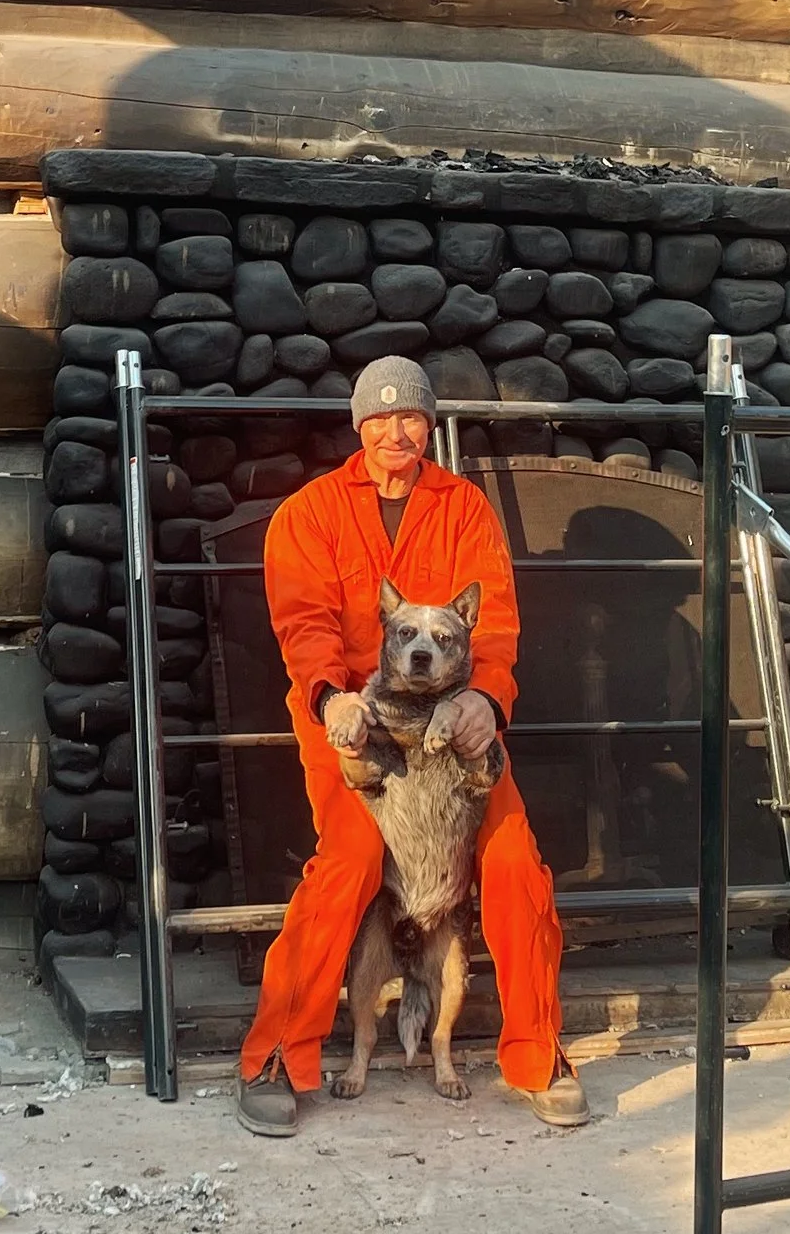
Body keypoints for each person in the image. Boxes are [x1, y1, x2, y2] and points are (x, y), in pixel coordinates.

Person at [235, 356, 583, 1137]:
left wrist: (485, 700)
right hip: (361, 724)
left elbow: (491, 626)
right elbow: (304, 623)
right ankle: (273, 1055)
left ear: (430, 424)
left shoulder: (464, 510)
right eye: (382, 417)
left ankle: (538, 1052)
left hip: (453, 722)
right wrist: (332, 701)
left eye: (413, 416)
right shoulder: (310, 512)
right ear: (359, 425)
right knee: (350, 863)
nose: (398, 431)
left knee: (513, 861)